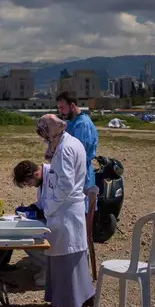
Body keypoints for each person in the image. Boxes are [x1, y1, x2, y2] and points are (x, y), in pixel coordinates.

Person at [33, 114, 95, 307]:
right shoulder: (69, 142)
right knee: (74, 257)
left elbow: (65, 184)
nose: (44, 139)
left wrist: (49, 206)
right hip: (68, 209)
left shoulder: (65, 148)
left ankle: (64, 305)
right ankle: (84, 295)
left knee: (63, 259)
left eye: (44, 134)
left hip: (64, 210)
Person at [56, 91, 99, 235]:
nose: (60, 111)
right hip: (72, 172)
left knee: (82, 213)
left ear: (72, 105)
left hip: (81, 173)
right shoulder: (71, 123)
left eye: (62, 108)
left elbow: (79, 153)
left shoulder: (82, 125)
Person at [12, 160, 50, 287]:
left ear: (35, 174)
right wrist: (30, 209)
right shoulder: (42, 181)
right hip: (50, 219)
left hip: (61, 222)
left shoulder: (53, 176)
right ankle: (44, 265)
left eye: (28, 182)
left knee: (25, 237)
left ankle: (50, 268)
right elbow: (42, 203)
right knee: (19, 233)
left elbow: (52, 205)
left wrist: (38, 213)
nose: (30, 186)